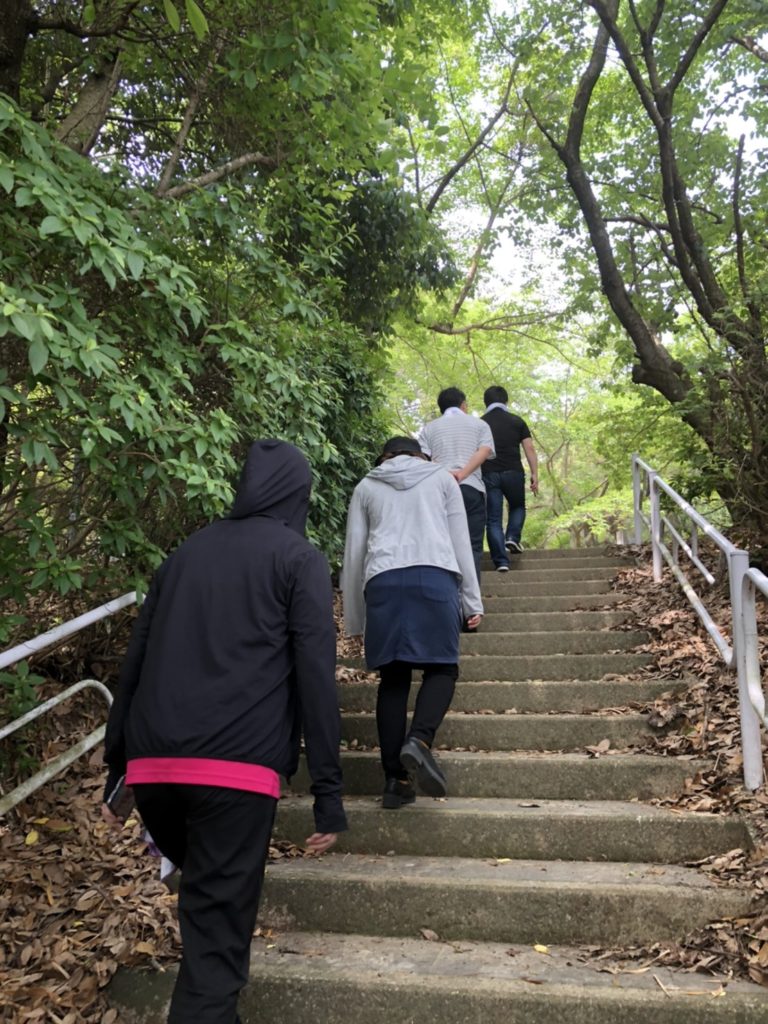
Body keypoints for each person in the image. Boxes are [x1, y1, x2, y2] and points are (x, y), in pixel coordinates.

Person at [101, 439, 347, 1024]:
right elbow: (315, 676)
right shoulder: (298, 558)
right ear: (297, 493)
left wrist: (118, 769)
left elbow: (134, 664)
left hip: (156, 769)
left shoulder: (183, 555)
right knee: (216, 925)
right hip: (234, 774)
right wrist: (328, 794)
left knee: (209, 911)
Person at [342, 435, 483, 808]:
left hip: (384, 581)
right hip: (435, 576)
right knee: (442, 669)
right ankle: (418, 740)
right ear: (422, 455)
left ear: (384, 456)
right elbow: (460, 542)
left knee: (393, 677)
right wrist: (472, 601)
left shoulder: (367, 485)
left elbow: (354, 552)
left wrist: (355, 620)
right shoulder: (441, 479)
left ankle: (395, 781)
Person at [417, 387, 495, 587]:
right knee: (473, 546)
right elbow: (485, 450)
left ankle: (448, 599)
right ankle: (472, 604)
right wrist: (463, 473)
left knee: (442, 545)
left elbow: (421, 459)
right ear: (463, 405)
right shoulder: (480, 424)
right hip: (471, 488)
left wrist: (444, 472)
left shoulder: (429, 428)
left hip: (439, 491)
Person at [481, 385, 539, 571]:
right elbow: (529, 448)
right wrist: (534, 474)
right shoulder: (517, 421)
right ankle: (512, 538)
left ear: (486, 402)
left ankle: (501, 562)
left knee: (493, 519)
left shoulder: (480, 423)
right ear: (506, 400)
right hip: (513, 472)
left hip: (488, 473)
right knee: (517, 506)